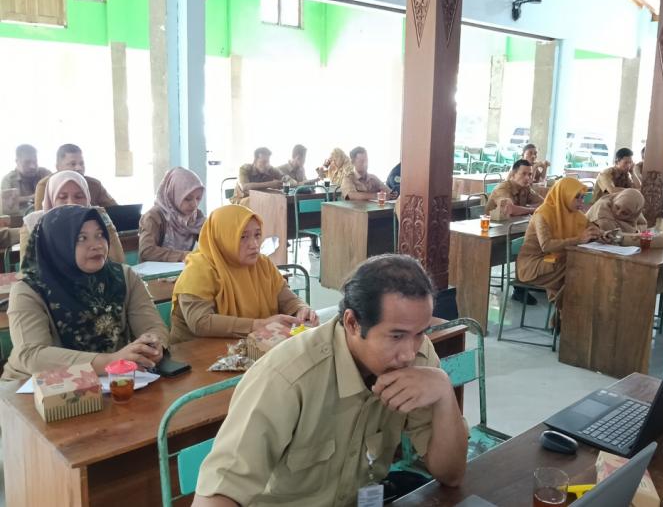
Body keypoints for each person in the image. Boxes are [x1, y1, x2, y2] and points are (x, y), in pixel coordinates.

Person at [192, 254, 467, 506]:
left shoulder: (419, 356)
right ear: (352, 323)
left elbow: (451, 475)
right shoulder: (287, 377)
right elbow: (217, 496)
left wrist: (444, 391)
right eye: (396, 336)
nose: (409, 353)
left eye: (420, 333)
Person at [2, 205, 168, 381]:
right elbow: (33, 355)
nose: (97, 245)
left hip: (112, 381)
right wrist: (110, 361)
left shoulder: (123, 276)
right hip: (34, 385)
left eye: (100, 235)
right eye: (81, 238)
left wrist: (153, 345)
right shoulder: (28, 290)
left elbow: (153, 327)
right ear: (57, 244)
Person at [170, 204, 318, 344]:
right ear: (222, 238)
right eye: (243, 237)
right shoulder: (198, 270)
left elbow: (286, 298)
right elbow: (200, 323)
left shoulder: (262, 264)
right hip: (196, 352)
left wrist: (301, 309)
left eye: (257, 235)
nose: (254, 244)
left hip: (248, 347)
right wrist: (258, 325)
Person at [516, 178, 600, 310]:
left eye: (582, 197)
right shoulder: (543, 214)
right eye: (576, 197)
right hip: (535, 264)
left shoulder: (575, 214)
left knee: (583, 267)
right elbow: (546, 245)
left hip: (557, 259)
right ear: (564, 195)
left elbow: (591, 229)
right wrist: (578, 239)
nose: (581, 201)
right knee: (578, 269)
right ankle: (568, 314)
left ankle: (568, 314)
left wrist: (602, 235)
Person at [20, 170, 125, 263]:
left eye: (79, 197)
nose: (71, 203)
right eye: (62, 197)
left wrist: (105, 223)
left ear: (88, 199)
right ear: (51, 201)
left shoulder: (97, 217)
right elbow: (27, 273)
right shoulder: (33, 223)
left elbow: (118, 261)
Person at [139, 167, 205, 263]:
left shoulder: (196, 216)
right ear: (173, 194)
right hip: (156, 272)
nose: (194, 204)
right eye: (188, 199)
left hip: (183, 270)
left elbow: (209, 245)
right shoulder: (153, 216)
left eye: (198, 198)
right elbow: (146, 251)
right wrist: (183, 256)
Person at [33, 144, 117, 210]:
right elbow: (40, 216)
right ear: (58, 167)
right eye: (73, 164)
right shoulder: (45, 185)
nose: (79, 168)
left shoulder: (94, 184)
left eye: (81, 163)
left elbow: (116, 210)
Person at [1, 144, 51, 211]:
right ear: (17, 161)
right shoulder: (8, 180)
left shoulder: (44, 173)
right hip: (21, 217)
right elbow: (7, 205)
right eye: (27, 162)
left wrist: (21, 199)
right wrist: (33, 197)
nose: (32, 166)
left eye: (35, 162)